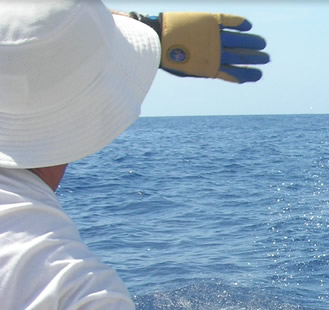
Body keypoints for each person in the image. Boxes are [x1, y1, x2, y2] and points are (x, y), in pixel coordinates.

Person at [0, 1, 269, 309]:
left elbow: (21, 37)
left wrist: (139, 30)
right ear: (94, 111)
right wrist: (140, 31)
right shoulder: (71, 291)